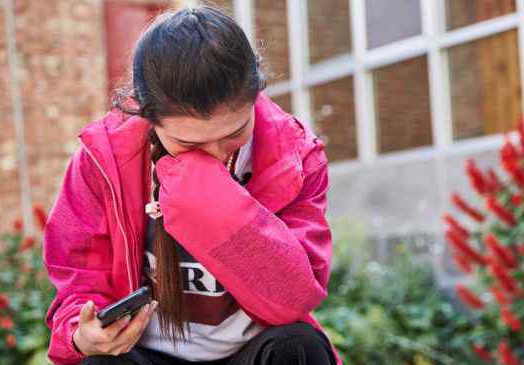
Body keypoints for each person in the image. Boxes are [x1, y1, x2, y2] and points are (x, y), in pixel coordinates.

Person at [43, 5, 341, 365]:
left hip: (249, 352)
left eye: (234, 133)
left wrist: (209, 198)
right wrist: (81, 333)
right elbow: (80, 277)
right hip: (149, 355)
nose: (215, 155)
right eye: (190, 144)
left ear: (255, 98)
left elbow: (293, 296)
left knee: (299, 346)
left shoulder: (295, 154)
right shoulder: (102, 160)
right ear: (147, 116)